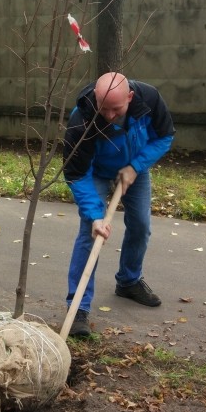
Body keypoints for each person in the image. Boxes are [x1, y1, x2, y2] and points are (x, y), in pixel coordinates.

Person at [62, 72, 175, 337]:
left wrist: (135, 167)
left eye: (117, 109)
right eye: (104, 109)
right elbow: (76, 174)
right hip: (96, 173)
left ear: (130, 97)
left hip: (135, 167)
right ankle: (77, 306)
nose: (110, 115)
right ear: (95, 99)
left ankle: (128, 281)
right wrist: (95, 215)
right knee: (91, 234)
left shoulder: (149, 100)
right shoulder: (82, 120)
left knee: (141, 225)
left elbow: (165, 137)